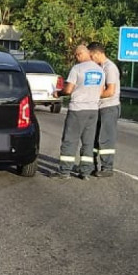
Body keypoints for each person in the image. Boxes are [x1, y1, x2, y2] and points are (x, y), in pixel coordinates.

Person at [56, 42, 104, 180]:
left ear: (80, 54)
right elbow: (101, 92)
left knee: (70, 140)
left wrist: (58, 93)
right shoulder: (100, 70)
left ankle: (64, 171)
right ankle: (85, 172)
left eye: (76, 55)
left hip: (78, 109)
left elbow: (68, 90)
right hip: (93, 110)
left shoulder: (77, 69)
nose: (76, 58)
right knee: (88, 142)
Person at [88, 42, 121, 177]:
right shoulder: (99, 67)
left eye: (91, 56)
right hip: (99, 106)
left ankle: (107, 167)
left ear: (97, 54)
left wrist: (92, 93)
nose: (91, 59)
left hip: (109, 107)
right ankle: (92, 166)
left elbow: (110, 91)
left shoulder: (109, 68)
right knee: (94, 138)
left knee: (106, 138)